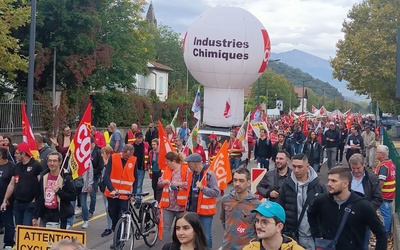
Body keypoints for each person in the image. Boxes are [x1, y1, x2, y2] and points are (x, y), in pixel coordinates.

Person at [308, 166, 387, 249]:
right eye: (329, 180)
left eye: (334, 181)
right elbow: (311, 215)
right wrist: (317, 235)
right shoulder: (321, 201)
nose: (329, 184)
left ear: (345, 183)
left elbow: (381, 234)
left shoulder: (362, 205)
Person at [277, 153, 326, 249]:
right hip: (292, 236)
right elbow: (280, 208)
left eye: (300, 167)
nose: (296, 170)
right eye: (294, 166)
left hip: (312, 237)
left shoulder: (319, 186)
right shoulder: (287, 185)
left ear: (308, 166)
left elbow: (325, 213)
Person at [1, 142, 43, 226]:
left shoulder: (36, 166)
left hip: (30, 204)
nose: (15, 155)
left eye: (17, 153)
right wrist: (5, 200)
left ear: (23, 154)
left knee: (26, 227)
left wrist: (35, 199)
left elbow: (41, 184)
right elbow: (11, 184)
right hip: (18, 203)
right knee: (19, 228)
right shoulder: (17, 166)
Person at [103, 144, 137, 248]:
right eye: (126, 156)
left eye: (130, 156)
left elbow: (135, 178)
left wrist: (133, 193)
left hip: (125, 194)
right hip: (112, 193)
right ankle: (115, 230)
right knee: (112, 213)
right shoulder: (114, 157)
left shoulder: (133, 160)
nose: (128, 158)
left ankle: (119, 240)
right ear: (122, 151)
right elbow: (106, 175)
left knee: (122, 216)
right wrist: (111, 189)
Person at [220, 168, 261, 250]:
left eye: (241, 181)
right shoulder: (226, 200)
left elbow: (259, 230)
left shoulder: (257, 205)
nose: (237, 184)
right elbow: (223, 220)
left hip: (246, 247)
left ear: (248, 182)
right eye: (235, 180)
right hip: (227, 247)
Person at [33, 152, 76, 229]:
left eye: (55, 161)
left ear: (60, 162)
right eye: (50, 161)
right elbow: (39, 196)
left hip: (59, 215)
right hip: (45, 214)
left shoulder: (66, 177)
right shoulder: (43, 176)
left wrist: (59, 191)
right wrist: (35, 216)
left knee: (58, 241)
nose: (52, 163)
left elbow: (72, 196)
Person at [349, 153, 383, 250]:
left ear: (364, 164)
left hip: (363, 219)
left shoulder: (372, 179)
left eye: (358, 168)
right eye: (353, 168)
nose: (356, 171)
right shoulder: (346, 177)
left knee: (363, 245)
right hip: (346, 216)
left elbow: (378, 198)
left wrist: (367, 210)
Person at [185, 153, 219, 248]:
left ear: (196, 163)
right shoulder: (192, 174)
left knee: (206, 237)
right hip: (193, 210)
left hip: (205, 212)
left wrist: (203, 188)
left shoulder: (209, 174)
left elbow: (216, 192)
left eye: (189, 163)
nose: (188, 166)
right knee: (194, 235)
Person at [158, 152, 189, 245]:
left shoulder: (185, 169)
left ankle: (180, 246)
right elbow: (159, 182)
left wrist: (179, 184)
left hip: (180, 206)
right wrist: (164, 182)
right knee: (166, 228)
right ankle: (165, 247)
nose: (166, 163)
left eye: (167, 161)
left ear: (174, 161)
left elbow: (190, 184)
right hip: (168, 205)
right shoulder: (167, 169)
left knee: (181, 228)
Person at [375, 145, 396, 239]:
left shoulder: (383, 166)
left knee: (386, 215)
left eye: (377, 152)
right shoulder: (390, 163)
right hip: (390, 194)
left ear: (382, 155)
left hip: (384, 195)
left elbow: (381, 182)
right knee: (387, 214)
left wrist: (376, 194)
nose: (376, 153)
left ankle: (386, 234)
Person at [0, 147, 15, 248]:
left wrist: (8, 199)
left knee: (8, 223)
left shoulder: (12, 167)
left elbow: (14, 184)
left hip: (6, 201)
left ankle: (9, 243)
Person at [99, 146, 114, 237]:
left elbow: (108, 175)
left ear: (108, 154)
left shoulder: (112, 163)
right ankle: (109, 226)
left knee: (110, 208)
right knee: (107, 209)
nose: (101, 155)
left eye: (103, 153)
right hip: (104, 189)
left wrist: (105, 165)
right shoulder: (104, 163)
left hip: (110, 190)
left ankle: (112, 225)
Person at [132, 132, 148, 208]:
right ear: (136, 138)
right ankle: (134, 196)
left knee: (139, 184)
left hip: (141, 167)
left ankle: (138, 200)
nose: (140, 140)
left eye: (141, 138)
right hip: (133, 168)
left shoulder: (145, 145)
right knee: (134, 183)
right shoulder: (132, 146)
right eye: (139, 138)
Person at [89, 136, 103, 218]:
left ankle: (91, 210)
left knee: (92, 194)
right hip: (87, 175)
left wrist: (93, 172)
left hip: (94, 175)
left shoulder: (97, 151)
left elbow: (100, 166)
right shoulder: (87, 150)